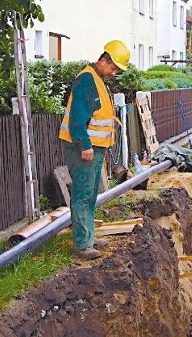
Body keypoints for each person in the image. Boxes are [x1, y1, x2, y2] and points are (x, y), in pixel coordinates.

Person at [59, 40, 130, 259]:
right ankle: (83, 244)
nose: (115, 73)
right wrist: (85, 145)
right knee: (82, 193)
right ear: (104, 60)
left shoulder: (98, 80)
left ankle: (88, 236)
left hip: (94, 148)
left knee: (90, 194)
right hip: (83, 148)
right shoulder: (87, 80)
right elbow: (78, 119)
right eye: (114, 68)